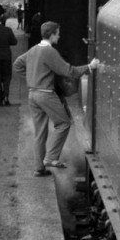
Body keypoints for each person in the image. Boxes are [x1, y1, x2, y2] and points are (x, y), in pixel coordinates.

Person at [13, 21, 99, 176]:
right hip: (46, 94)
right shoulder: (49, 52)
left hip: (32, 94)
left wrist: (32, 77)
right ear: (52, 34)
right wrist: (89, 67)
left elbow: (18, 64)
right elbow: (69, 71)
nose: (59, 36)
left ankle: (39, 168)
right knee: (64, 123)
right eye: (58, 33)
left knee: (40, 132)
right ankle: (51, 157)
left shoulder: (33, 50)